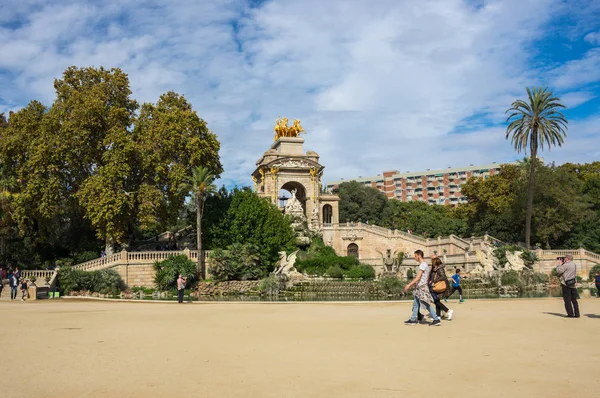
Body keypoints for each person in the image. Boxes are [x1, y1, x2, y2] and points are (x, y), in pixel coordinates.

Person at [403, 250, 442, 326]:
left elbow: (418, 277)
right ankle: (413, 319)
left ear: (419, 255)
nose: (415, 257)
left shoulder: (423, 264)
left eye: (415, 256)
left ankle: (436, 319)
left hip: (422, 288)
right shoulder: (423, 264)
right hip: (420, 287)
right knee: (416, 304)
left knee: (425, 303)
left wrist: (409, 285)